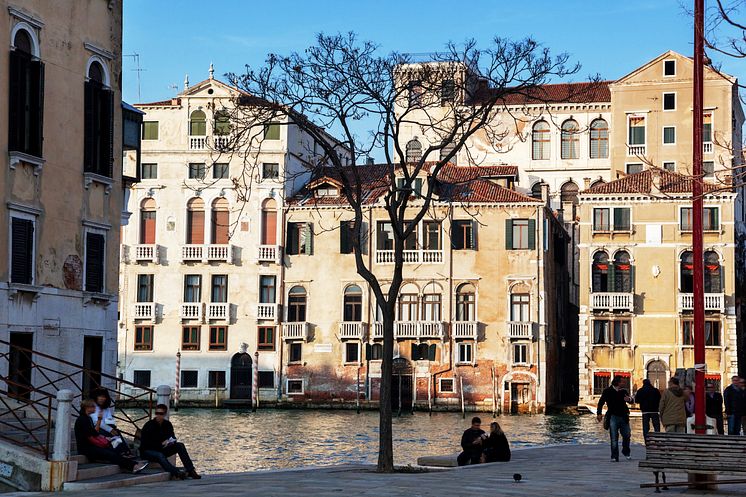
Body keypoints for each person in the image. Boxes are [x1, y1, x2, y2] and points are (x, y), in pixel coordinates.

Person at [74, 399, 148, 473]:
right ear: (87, 408)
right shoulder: (82, 419)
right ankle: (133, 466)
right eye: (93, 406)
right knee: (110, 454)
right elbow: (92, 434)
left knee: (113, 451)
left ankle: (134, 464)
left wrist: (100, 421)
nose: (95, 408)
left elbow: (94, 432)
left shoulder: (87, 418)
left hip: (91, 446)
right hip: (86, 448)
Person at [140, 404, 201, 480]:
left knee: (180, 445)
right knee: (160, 455)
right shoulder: (149, 425)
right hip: (148, 451)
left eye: (161, 413)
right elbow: (145, 443)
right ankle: (176, 472)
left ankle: (191, 470)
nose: (158, 415)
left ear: (164, 414)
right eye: (157, 413)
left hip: (162, 448)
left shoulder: (168, 424)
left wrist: (170, 442)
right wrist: (161, 444)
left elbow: (172, 437)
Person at [596, 375, 633, 462]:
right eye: (622, 382)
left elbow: (631, 401)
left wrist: (629, 399)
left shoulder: (624, 391)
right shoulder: (607, 391)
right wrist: (599, 413)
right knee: (614, 437)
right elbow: (601, 402)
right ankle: (614, 456)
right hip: (613, 416)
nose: (624, 383)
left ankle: (626, 451)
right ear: (618, 382)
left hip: (624, 416)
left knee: (627, 435)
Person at [90, 387, 132, 456]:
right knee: (111, 435)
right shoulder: (92, 407)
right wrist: (110, 430)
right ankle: (121, 452)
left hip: (106, 427)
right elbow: (96, 421)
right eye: (100, 396)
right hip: (96, 428)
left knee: (117, 432)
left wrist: (112, 428)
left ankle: (125, 451)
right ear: (96, 397)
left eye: (104, 397)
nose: (102, 398)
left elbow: (109, 420)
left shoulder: (106, 408)